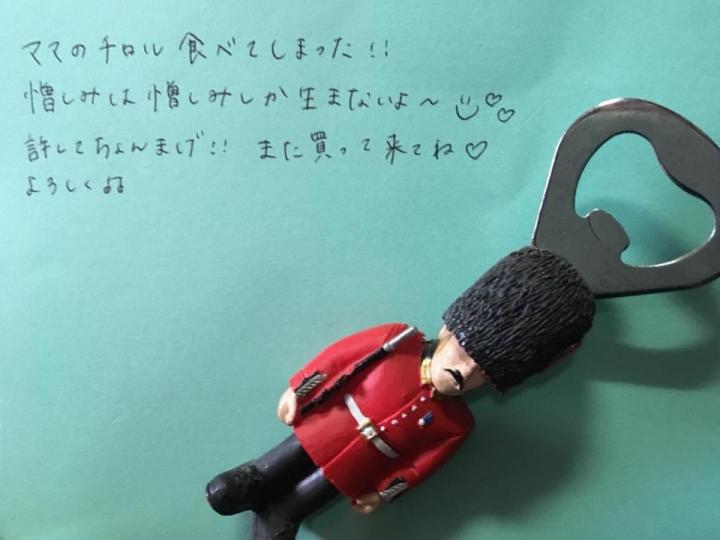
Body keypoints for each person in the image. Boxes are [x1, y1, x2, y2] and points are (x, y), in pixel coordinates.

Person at [205, 247, 596, 539]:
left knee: (318, 488)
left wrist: (384, 493)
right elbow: (340, 360)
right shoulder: (398, 342)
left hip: (361, 466)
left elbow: (420, 467)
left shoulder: (457, 425)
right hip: (330, 423)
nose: (463, 373)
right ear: (448, 332)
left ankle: (285, 513)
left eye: (482, 373)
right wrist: (300, 390)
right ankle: (254, 478)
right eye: (464, 355)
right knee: (290, 455)